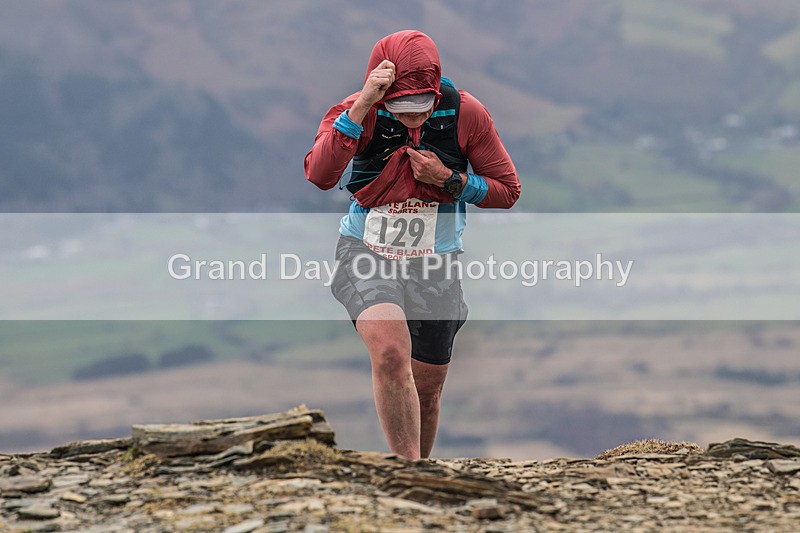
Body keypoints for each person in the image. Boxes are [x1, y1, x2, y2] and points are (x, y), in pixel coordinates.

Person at [304, 30, 519, 459]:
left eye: (421, 107)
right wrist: (363, 105)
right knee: (389, 354)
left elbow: (507, 190)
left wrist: (450, 180)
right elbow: (320, 174)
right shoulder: (357, 110)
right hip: (367, 253)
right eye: (401, 109)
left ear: (436, 91)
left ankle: (419, 471)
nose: (412, 119)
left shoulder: (468, 114)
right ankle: (405, 474)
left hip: (436, 262)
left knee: (427, 386)